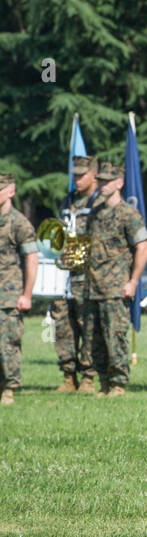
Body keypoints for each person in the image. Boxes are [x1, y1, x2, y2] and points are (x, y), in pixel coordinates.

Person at [77, 161, 147, 397]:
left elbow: (142, 247)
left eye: (108, 181)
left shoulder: (129, 214)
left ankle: (118, 383)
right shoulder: (95, 211)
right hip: (92, 286)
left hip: (116, 287)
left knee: (115, 336)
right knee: (93, 338)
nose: (103, 185)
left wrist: (133, 281)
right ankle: (104, 381)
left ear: (119, 183)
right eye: (101, 180)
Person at [53, 155, 98, 393]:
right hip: (66, 272)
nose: (77, 179)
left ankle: (89, 377)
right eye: (75, 175)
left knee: (87, 324)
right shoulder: (68, 201)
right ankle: (68, 375)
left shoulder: (98, 201)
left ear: (94, 175)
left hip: (88, 274)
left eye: (82, 175)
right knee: (63, 324)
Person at [0, 172, 37, 405]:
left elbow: (31, 259)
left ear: (11, 191)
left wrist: (27, 294)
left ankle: (9, 388)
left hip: (9, 293)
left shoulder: (19, 222)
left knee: (8, 344)